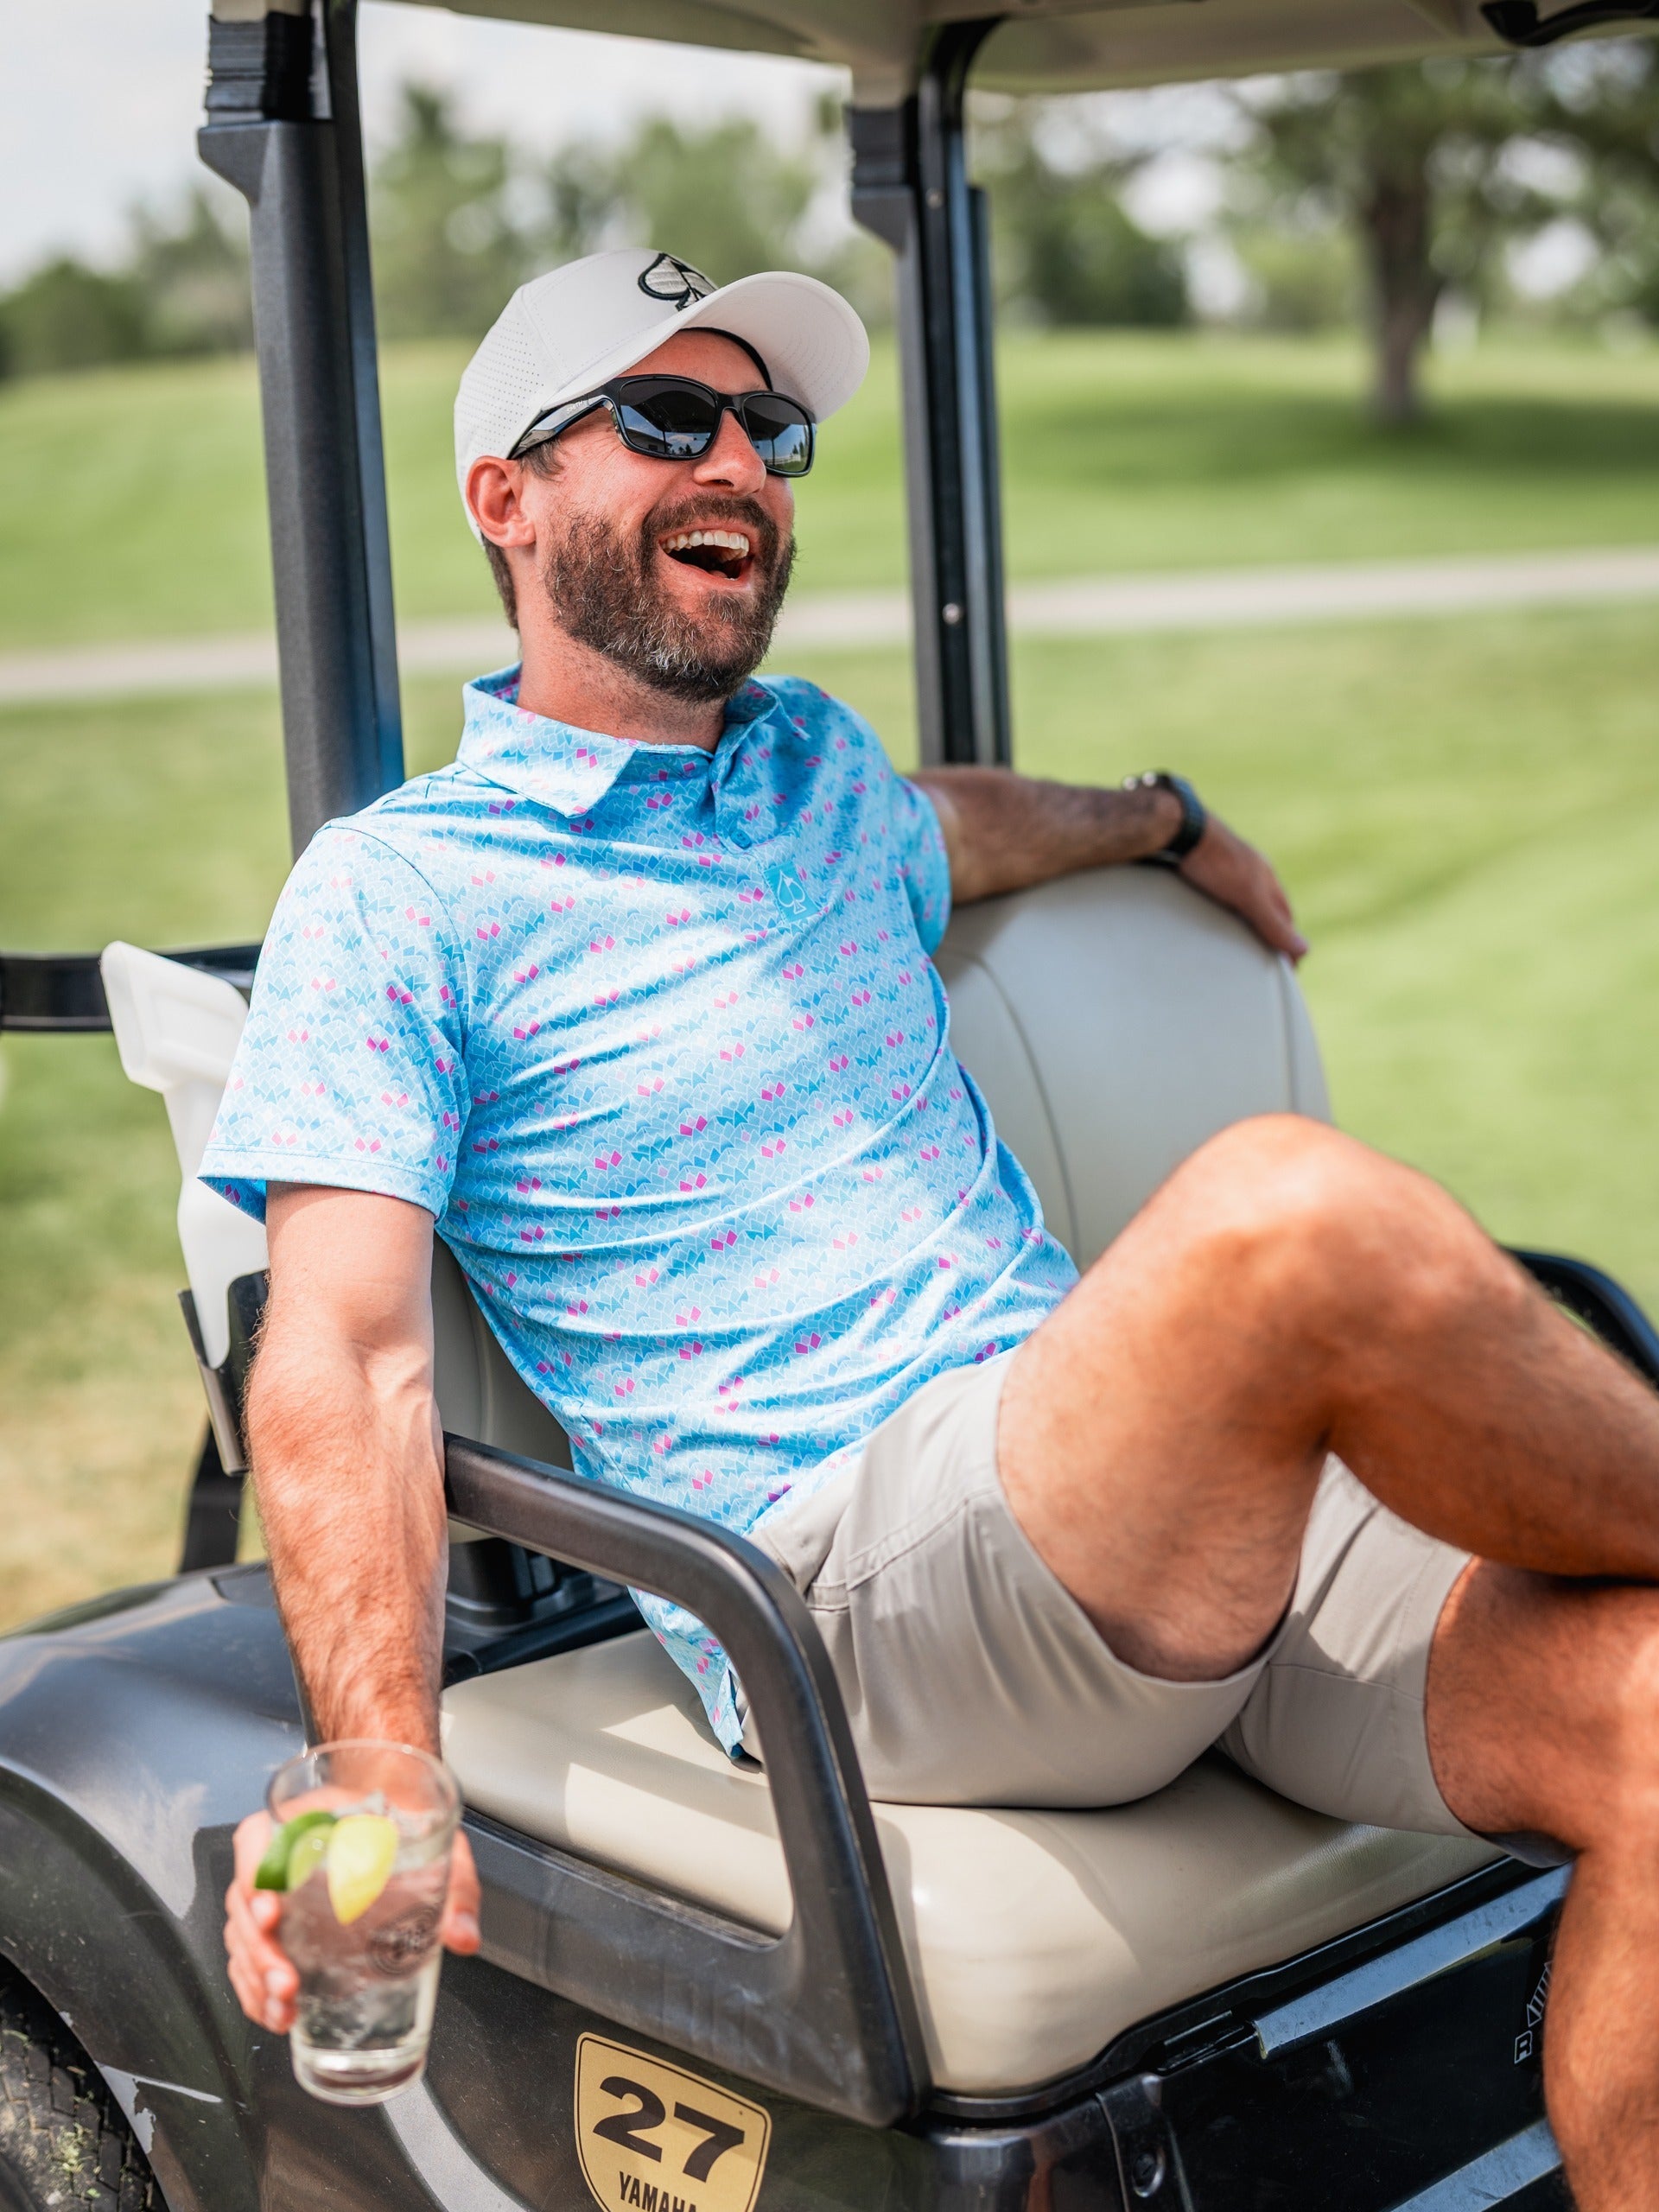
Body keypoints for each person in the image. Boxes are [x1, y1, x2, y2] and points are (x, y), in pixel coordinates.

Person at [213, 247, 1659, 2209]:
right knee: (1279, 1213)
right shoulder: (402, 893)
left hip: (1115, 1514)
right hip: (839, 1592)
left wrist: (1162, 818)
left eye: (771, 428)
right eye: (665, 417)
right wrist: (383, 1762)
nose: (739, 460)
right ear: (507, 495)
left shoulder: (807, 769)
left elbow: (963, 818)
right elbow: (348, 1346)